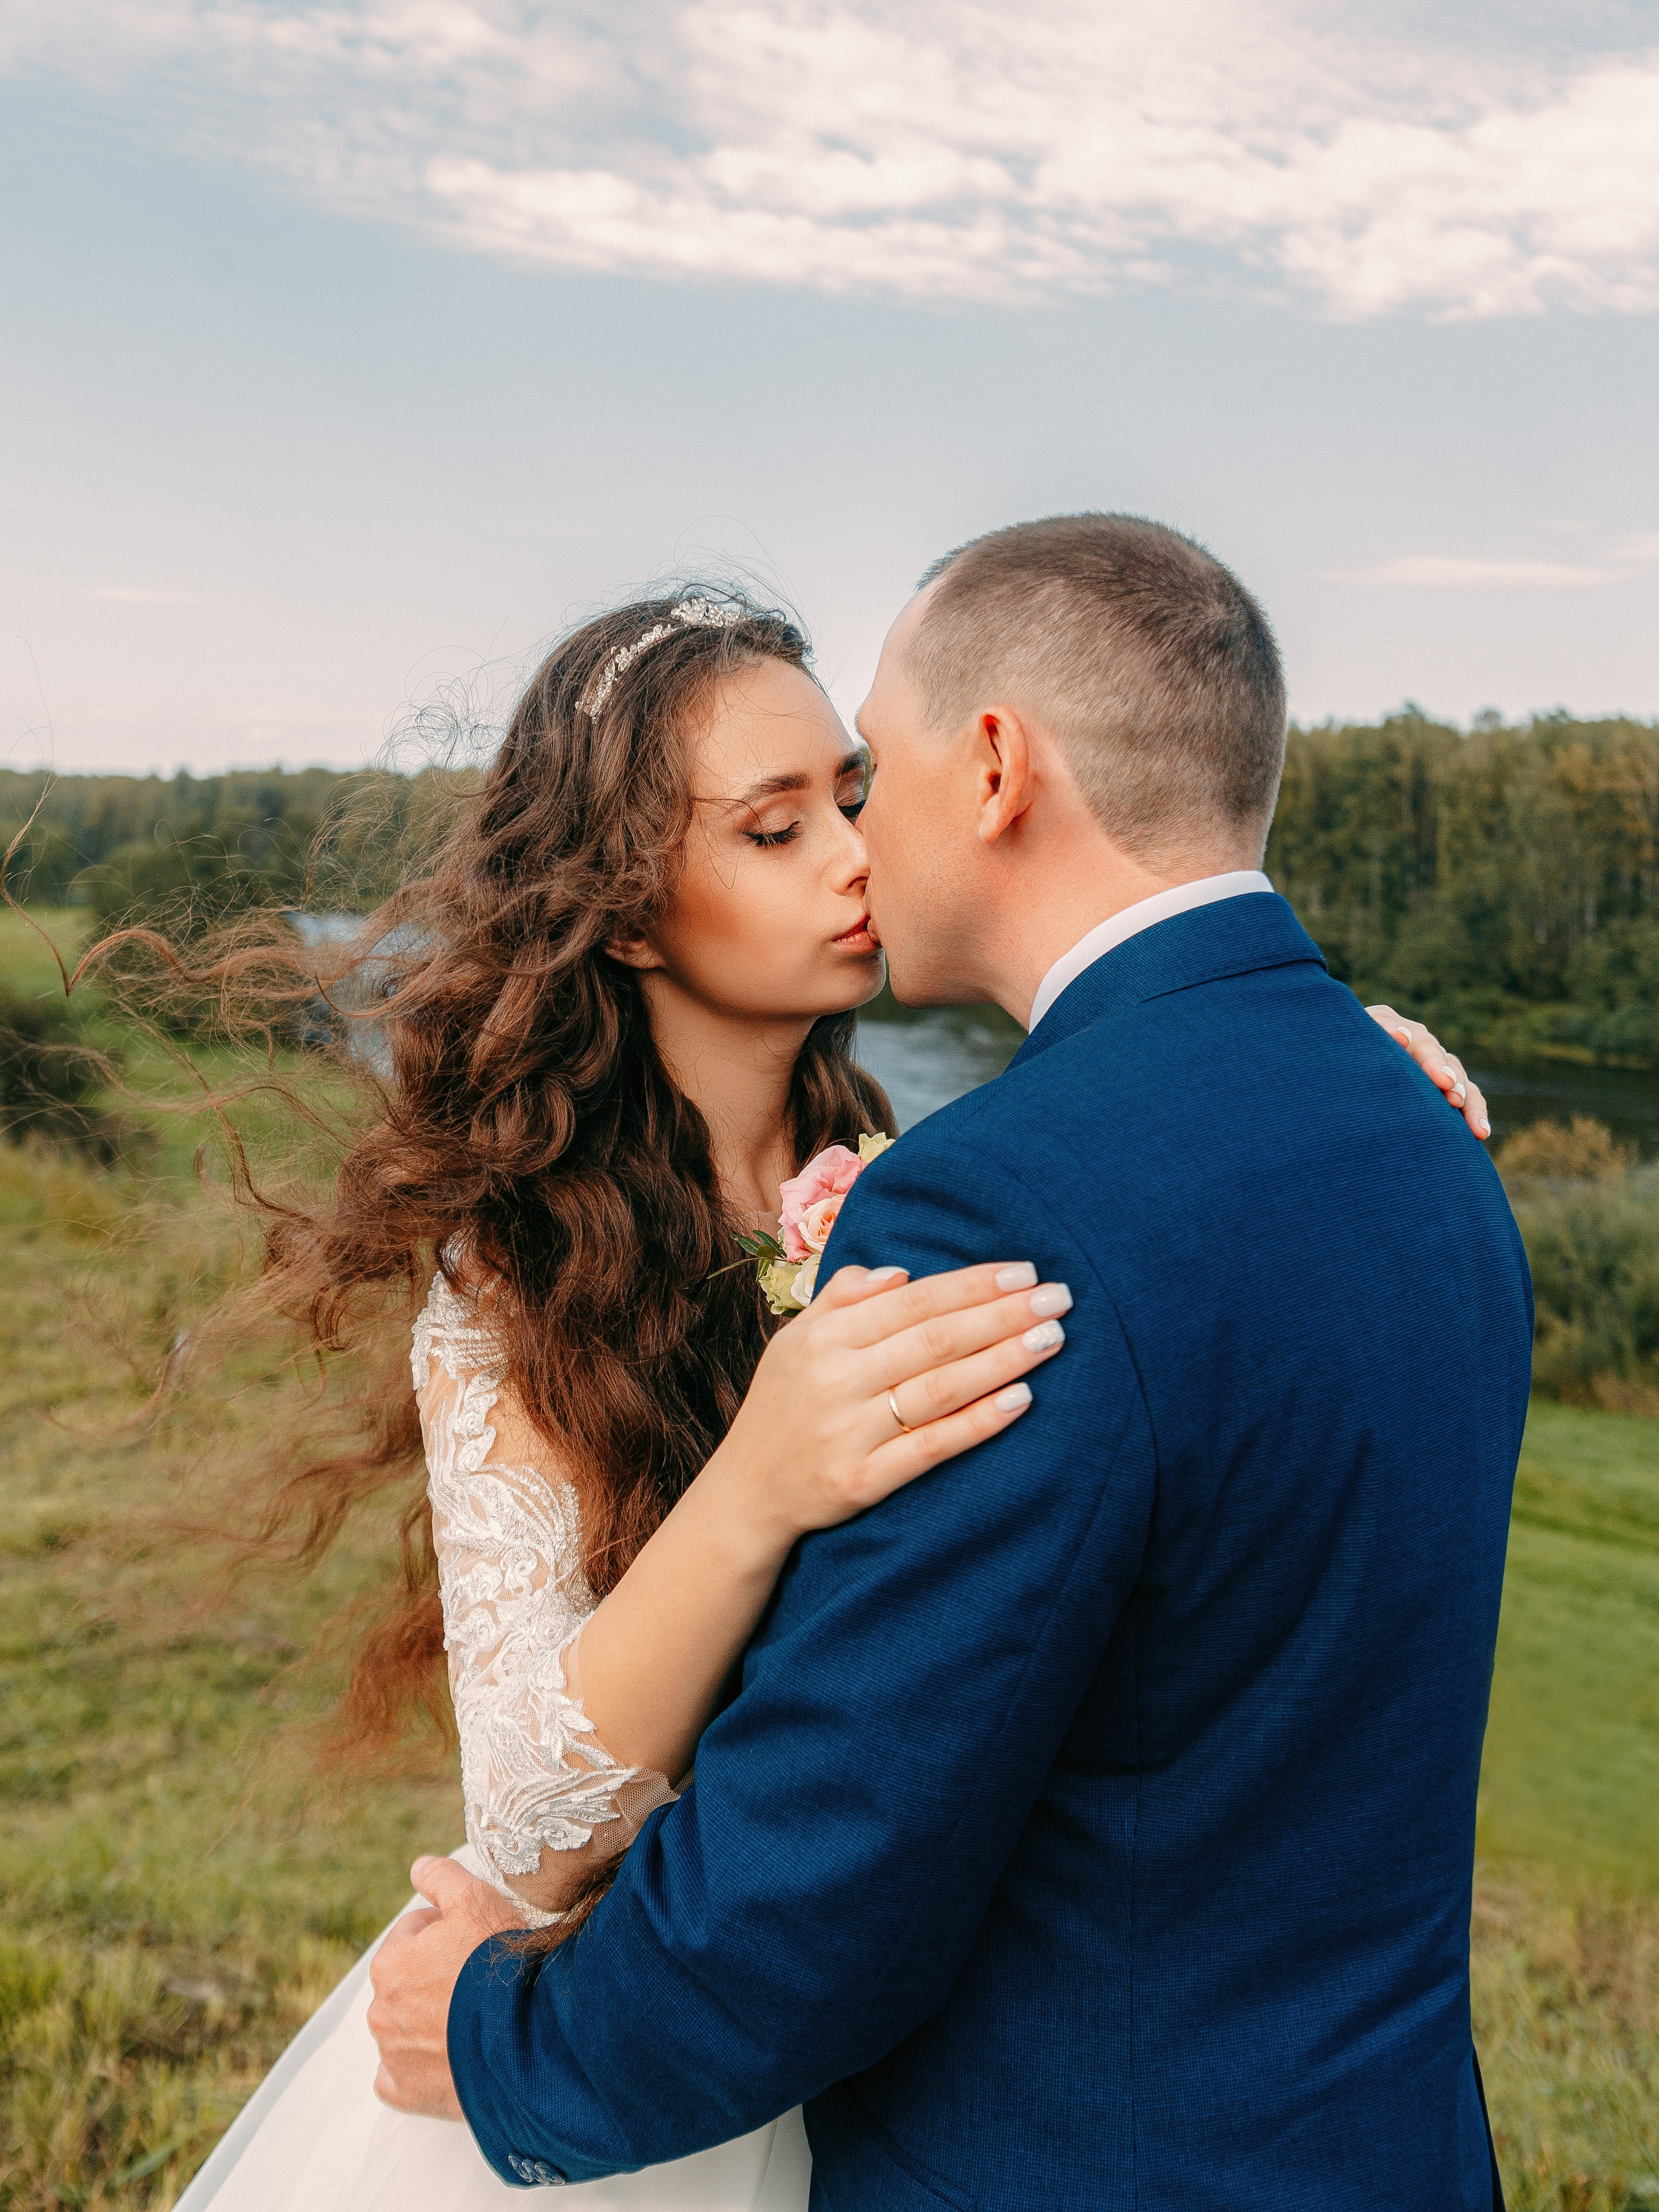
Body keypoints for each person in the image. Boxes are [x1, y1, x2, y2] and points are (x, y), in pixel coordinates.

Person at [176, 562, 1492, 2212]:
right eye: (774, 826)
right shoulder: (512, 1276)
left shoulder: (924, 1190)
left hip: (882, 2032)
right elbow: (522, 1818)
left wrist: (1299, 1081)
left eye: (855, 794)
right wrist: (759, 1477)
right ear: (627, 911)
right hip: (638, 2029)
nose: (858, 853)